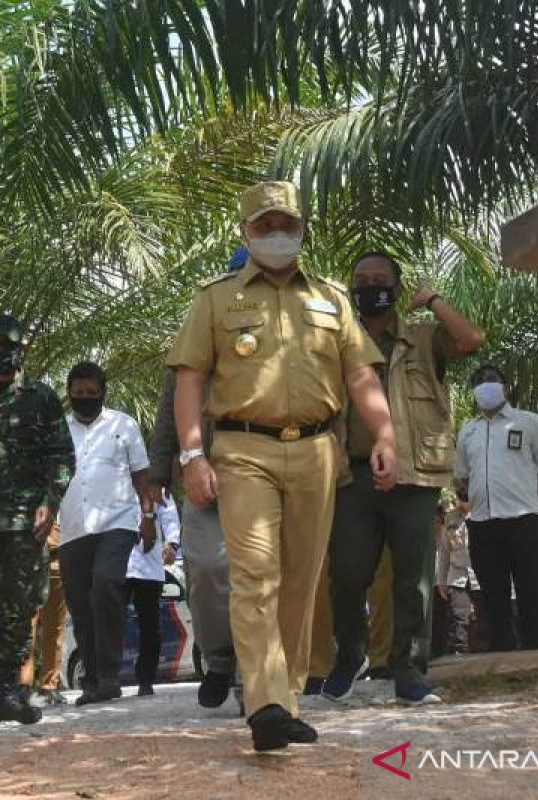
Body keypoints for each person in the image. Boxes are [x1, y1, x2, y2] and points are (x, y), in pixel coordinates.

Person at [168, 180, 398, 753]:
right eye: (265, 225)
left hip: (319, 451)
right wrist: (192, 453)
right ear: (245, 231)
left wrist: (386, 433)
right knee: (255, 574)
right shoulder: (215, 299)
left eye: (287, 225)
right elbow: (190, 378)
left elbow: (361, 376)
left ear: (302, 231)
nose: (277, 235)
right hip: (244, 449)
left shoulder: (331, 300)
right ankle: (264, 700)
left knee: (302, 580)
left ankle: (286, 697)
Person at [323, 250, 484, 704]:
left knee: (412, 578)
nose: (369, 285)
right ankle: (350, 654)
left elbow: (472, 339)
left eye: (379, 278)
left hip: (415, 472)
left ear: (396, 287)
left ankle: (409, 669)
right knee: (349, 573)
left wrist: (432, 299)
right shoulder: (340, 341)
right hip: (353, 475)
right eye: (361, 278)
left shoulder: (423, 337)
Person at [147, 247, 247, 710]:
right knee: (206, 569)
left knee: (261, 573)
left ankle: (257, 674)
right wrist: (158, 469)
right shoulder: (196, 335)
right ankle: (220, 658)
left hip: (268, 468)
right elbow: (171, 408)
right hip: (202, 474)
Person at [0, 313, 73, 725]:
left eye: (12, 347)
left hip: (25, 520)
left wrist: (51, 499)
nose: (4, 355)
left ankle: (6, 692)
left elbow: (61, 454)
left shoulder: (40, 398)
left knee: (19, 607)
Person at [58, 361, 155, 706]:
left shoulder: (123, 425)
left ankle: (111, 675)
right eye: (78, 393)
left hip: (118, 521)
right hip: (72, 528)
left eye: (91, 393)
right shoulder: (59, 429)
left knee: (106, 585)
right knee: (81, 606)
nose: (85, 398)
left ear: (103, 393)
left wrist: (148, 517)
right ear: (69, 394)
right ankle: (95, 680)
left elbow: (141, 475)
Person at [454, 365, 538, 651]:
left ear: (506, 385)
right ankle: (503, 660)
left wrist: (532, 499)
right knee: (493, 596)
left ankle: (537, 657)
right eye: (477, 382)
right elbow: (462, 476)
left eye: (491, 380)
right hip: (483, 522)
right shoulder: (468, 431)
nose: (484, 386)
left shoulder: (528, 422)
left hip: (523, 519)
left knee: (530, 592)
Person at [125, 488, 181, 696]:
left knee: (150, 625)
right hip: (118, 562)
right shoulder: (114, 477)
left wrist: (172, 543)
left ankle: (146, 678)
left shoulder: (156, 484)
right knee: (110, 620)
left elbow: (169, 516)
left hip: (148, 563)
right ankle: (107, 677)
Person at [19, 521, 69, 705]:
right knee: (26, 624)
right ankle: (23, 685)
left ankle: (50, 686)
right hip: (28, 552)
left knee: (55, 625)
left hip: (57, 555)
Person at [434, 502, 477, 655]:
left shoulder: (482, 513)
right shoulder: (450, 519)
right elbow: (444, 552)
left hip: (480, 575)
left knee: (483, 620)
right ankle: (459, 655)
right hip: (457, 576)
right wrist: (441, 580)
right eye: (460, 495)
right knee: (459, 620)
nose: (463, 500)